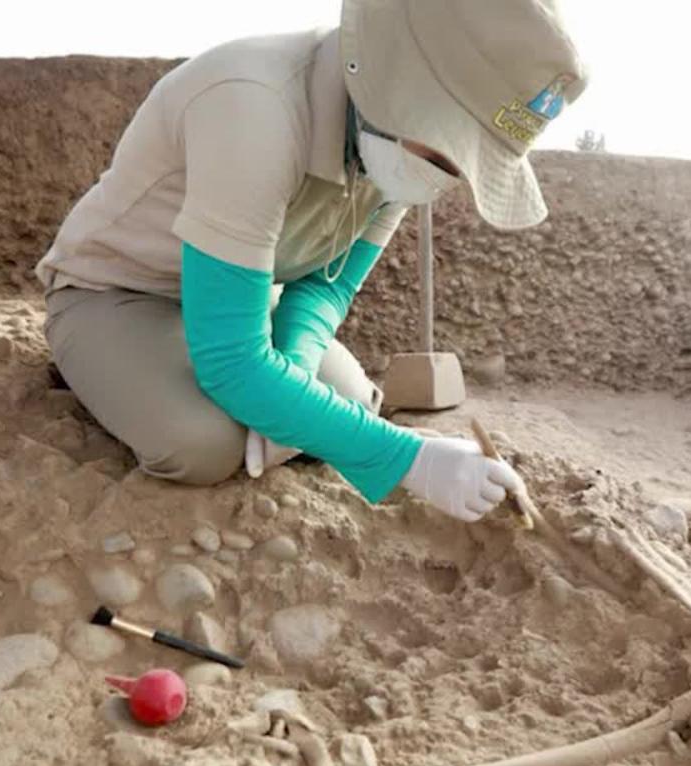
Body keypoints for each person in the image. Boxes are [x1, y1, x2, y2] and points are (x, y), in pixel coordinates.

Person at [36, 0, 586, 523]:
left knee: (346, 404)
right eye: (450, 151)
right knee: (202, 445)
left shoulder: (399, 153)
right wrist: (412, 460)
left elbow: (326, 290)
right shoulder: (253, 103)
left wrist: (292, 372)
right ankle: (90, 358)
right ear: (399, 89)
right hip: (119, 292)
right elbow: (232, 360)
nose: (450, 178)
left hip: (246, 294)